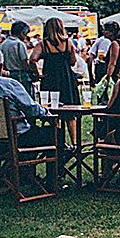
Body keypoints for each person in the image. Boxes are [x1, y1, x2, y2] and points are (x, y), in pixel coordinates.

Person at [0, 48, 63, 151]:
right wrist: (46, 114)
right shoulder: (8, 85)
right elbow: (31, 108)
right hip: (16, 140)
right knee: (56, 133)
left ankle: (22, 162)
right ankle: (53, 161)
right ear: (1, 67)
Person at [30, 17, 81, 146]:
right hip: (66, 80)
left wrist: (38, 74)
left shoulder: (43, 44)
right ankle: (74, 143)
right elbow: (73, 61)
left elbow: (32, 59)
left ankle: (58, 141)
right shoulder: (68, 43)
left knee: (53, 112)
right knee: (70, 113)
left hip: (50, 80)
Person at [0, 20, 33, 95]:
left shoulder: (3, 43)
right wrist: (30, 71)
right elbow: (24, 61)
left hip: (8, 74)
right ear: (22, 33)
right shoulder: (19, 44)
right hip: (20, 74)